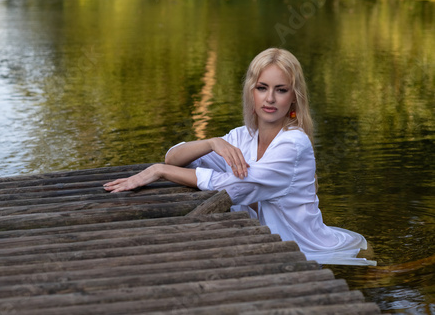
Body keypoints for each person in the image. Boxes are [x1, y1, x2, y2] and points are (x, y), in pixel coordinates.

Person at [104, 48, 376, 266]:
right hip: (267, 247)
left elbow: (235, 187)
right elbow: (175, 157)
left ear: (294, 97)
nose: (269, 98)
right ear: (251, 91)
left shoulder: (294, 144)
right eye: (262, 88)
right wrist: (212, 143)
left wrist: (159, 172)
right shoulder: (243, 136)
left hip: (312, 252)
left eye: (280, 90)